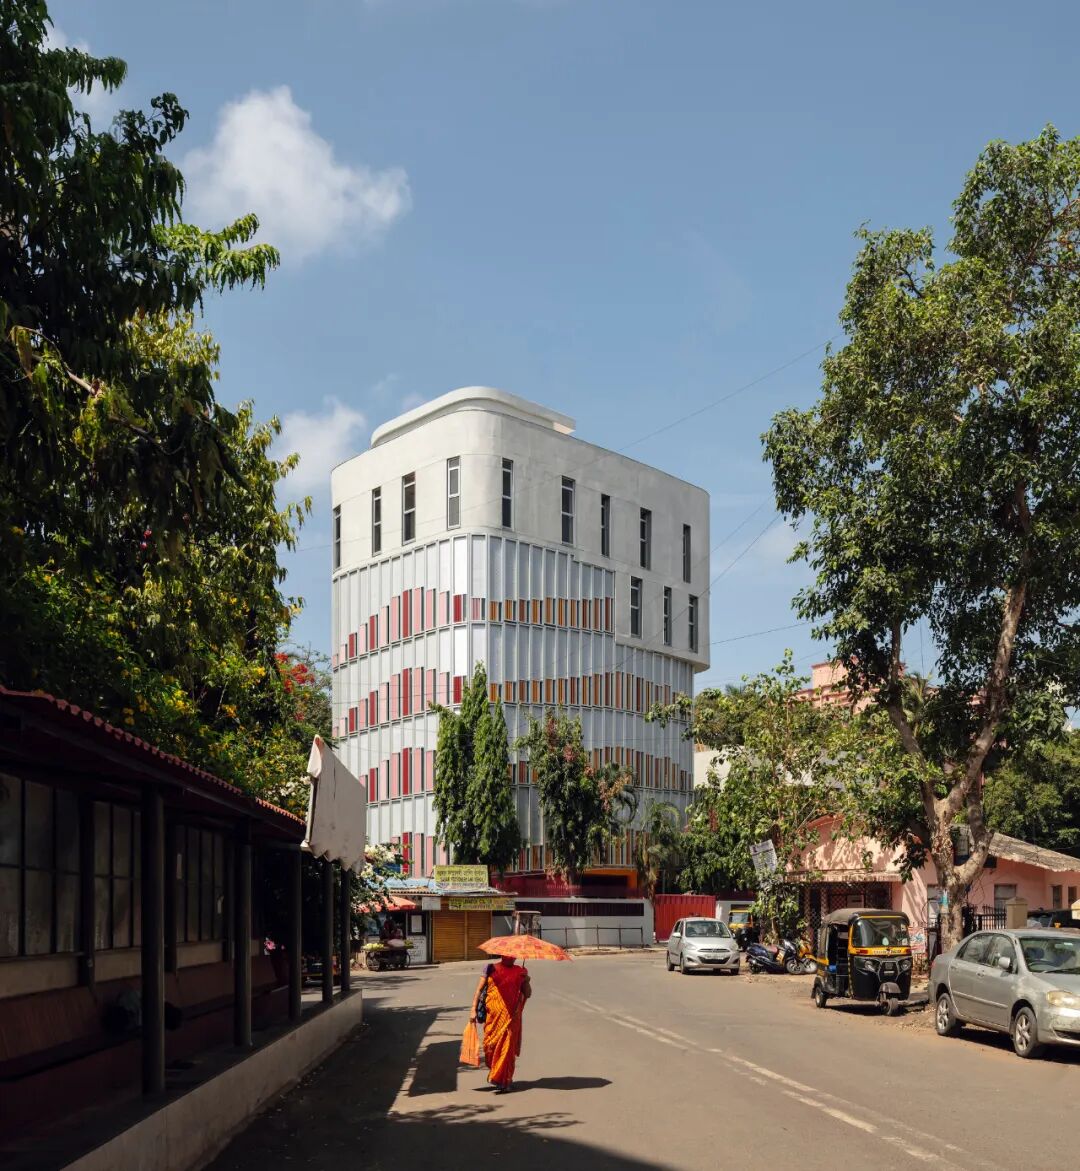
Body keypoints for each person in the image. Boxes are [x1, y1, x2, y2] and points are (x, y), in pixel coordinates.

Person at [470, 954, 531, 1093]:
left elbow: (527, 994)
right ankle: (497, 1074)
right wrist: (473, 1009)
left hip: (511, 1019)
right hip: (493, 1019)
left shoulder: (520, 971)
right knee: (489, 1048)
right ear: (502, 954)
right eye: (507, 955)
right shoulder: (490, 968)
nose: (510, 958)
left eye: (513, 956)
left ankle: (505, 1080)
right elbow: (479, 990)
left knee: (507, 1050)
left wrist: (526, 981)